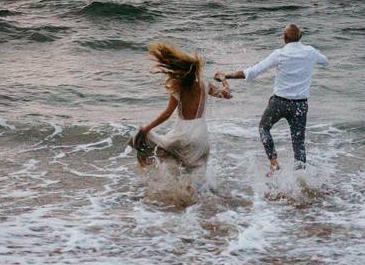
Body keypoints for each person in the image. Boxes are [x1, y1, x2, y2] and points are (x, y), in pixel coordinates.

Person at [216, 24, 328, 172]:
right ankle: (300, 178)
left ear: (284, 38)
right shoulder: (310, 52)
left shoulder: (279, 54)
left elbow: (253, 71)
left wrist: (227, 75)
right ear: (300, 37)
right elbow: (325, 61)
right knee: (298, 142)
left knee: (264, 127)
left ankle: (273, 161)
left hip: (279, 103)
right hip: (300, 106)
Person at [131, 42, 231, 174]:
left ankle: (157, 181)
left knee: (142, 140)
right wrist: (223, 79)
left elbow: (167, 114)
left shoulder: (178, 89)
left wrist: (147, 128)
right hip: (201, 137)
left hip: (182, 135)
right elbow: (227, 94)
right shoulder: (205, 85)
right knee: (195, 175)